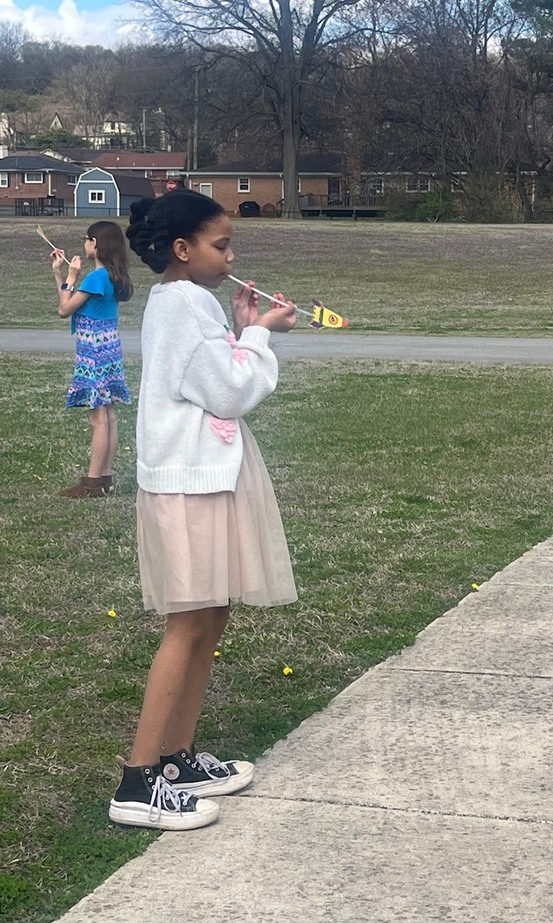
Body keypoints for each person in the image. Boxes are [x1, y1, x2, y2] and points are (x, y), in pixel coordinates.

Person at [111, 189, 299, 830]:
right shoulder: (187, 306)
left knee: (209, 614)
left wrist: (243, 331)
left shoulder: (188, 301)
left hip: (204, 478)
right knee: (189, 623)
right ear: (183, 250)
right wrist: (258, 334)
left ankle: (176, 759)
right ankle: (139, 781)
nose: (231, 255)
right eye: (221, 245)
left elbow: (216, 373)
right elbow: (228, 390)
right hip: (187, 485)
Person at [51, 222, 133, 498]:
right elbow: (69, 299)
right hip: (109, 348)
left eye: (87, 239)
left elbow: (64, 309)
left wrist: (71, 275)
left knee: (98, 417)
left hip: (94, 351)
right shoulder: (111, 275)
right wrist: (60, 273)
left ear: (95, 243)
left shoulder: (95, 279)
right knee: (108, 415)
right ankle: (105, 479)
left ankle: (92, 483)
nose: (84, 244)